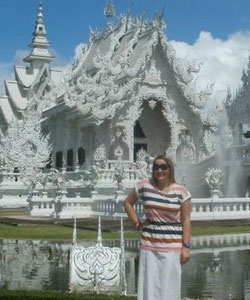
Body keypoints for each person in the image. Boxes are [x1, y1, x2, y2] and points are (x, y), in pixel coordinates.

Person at [124, 154, 191, 300]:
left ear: (170, 169)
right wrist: (137, 223)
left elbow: (186, 220)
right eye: (156, 167)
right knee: (149, 283)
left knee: (170, 285)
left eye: (163, 167)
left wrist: (185, 247)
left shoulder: (181, 191)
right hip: (150, 243)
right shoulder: (144, 185)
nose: (159, 170)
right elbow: (128, 203)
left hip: (173, 244)